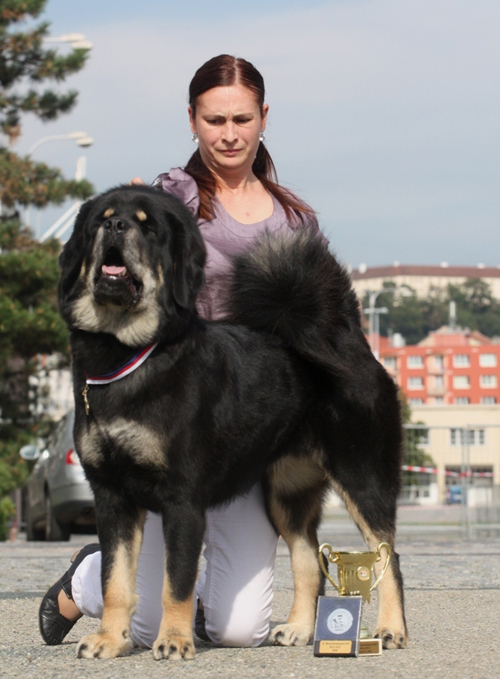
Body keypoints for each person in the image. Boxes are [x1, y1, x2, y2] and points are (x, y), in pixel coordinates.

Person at [39, 54, 323, 650]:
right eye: (214, 119)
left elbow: (314, 321)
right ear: (192, 120)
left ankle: (185, 592)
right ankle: (93, 578)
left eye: (241, 118)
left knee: (238, 630)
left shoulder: (296, 220)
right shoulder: (165, 201)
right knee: (143, 628)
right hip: (164, 393)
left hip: (240, 422)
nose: (229, 133)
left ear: (263, 118)